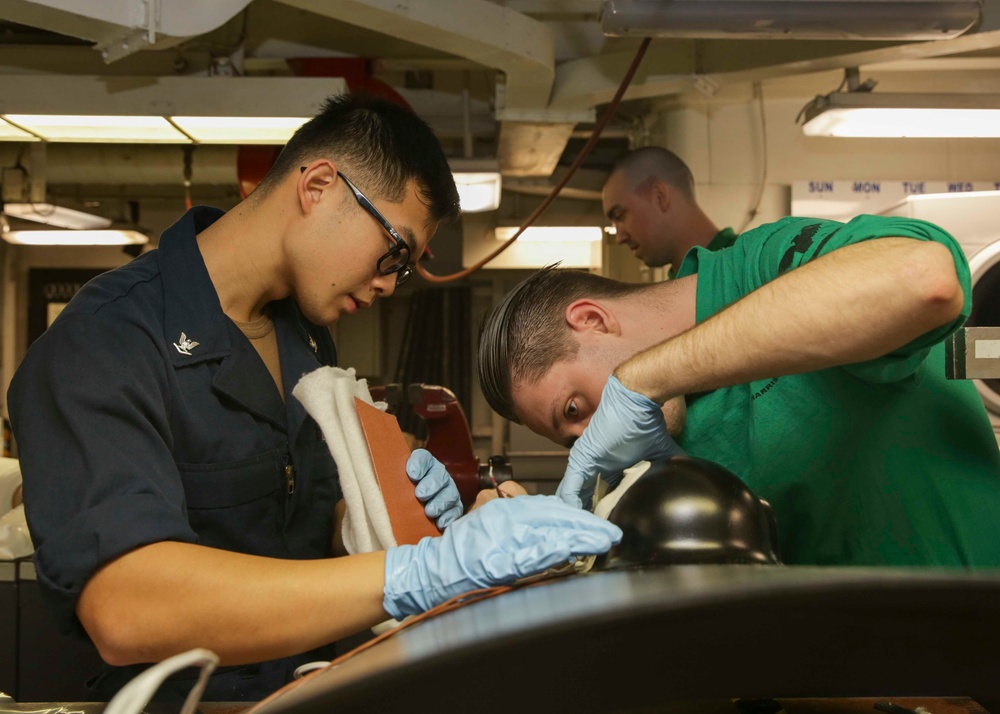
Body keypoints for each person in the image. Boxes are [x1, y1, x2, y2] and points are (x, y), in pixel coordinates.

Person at [7, 93, 621, 702]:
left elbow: (307, 522)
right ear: (320, 186)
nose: (387, 283)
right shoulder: (105, 344)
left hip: (320, 686)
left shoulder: (304, 338)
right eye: (395, 251)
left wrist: (400, 515)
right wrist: (419, 574)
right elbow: (127, 608)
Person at [478, 213, 1000, 567]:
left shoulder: (756, 269)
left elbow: (921, 281)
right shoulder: (664, 440)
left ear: (592, 319)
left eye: (575, 407)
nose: (595, 433)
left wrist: (642, 379)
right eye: (573, 438)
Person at [603, 146, 736, 274]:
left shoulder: (748, 265)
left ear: (659, 197)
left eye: (620, 216)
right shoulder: (676, 287)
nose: (619, 238)